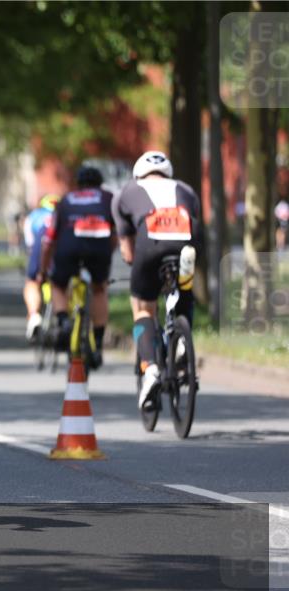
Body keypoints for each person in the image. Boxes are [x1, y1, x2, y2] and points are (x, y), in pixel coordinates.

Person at [112, 150, 203, 409]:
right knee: (184, 289)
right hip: (188, 240)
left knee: (142, 307)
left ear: (139, 173)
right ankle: (183, 341)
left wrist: (137, 266)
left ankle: (150, 367)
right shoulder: (186, 189)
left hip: (151, 243)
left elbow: (128, 251)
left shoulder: (127, 192)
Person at [39, 165, 116, 368]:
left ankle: (64, 320)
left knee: (57, 285)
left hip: (69, 246)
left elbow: (48, 241)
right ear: (99, 184)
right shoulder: (108, 198)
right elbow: (116, 235)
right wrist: (110, 252)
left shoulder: (66, 200)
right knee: (99, 290)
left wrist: (43, 270)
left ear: (78, 184)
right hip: (99, 247)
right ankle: (98, 344)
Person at [23, 194, 59, 340]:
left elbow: (30, 244)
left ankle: (34, 315)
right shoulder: (64, 214)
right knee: (61, 283)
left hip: (40, 248)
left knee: (32, 283)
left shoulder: (34, 216)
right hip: (62, 248)